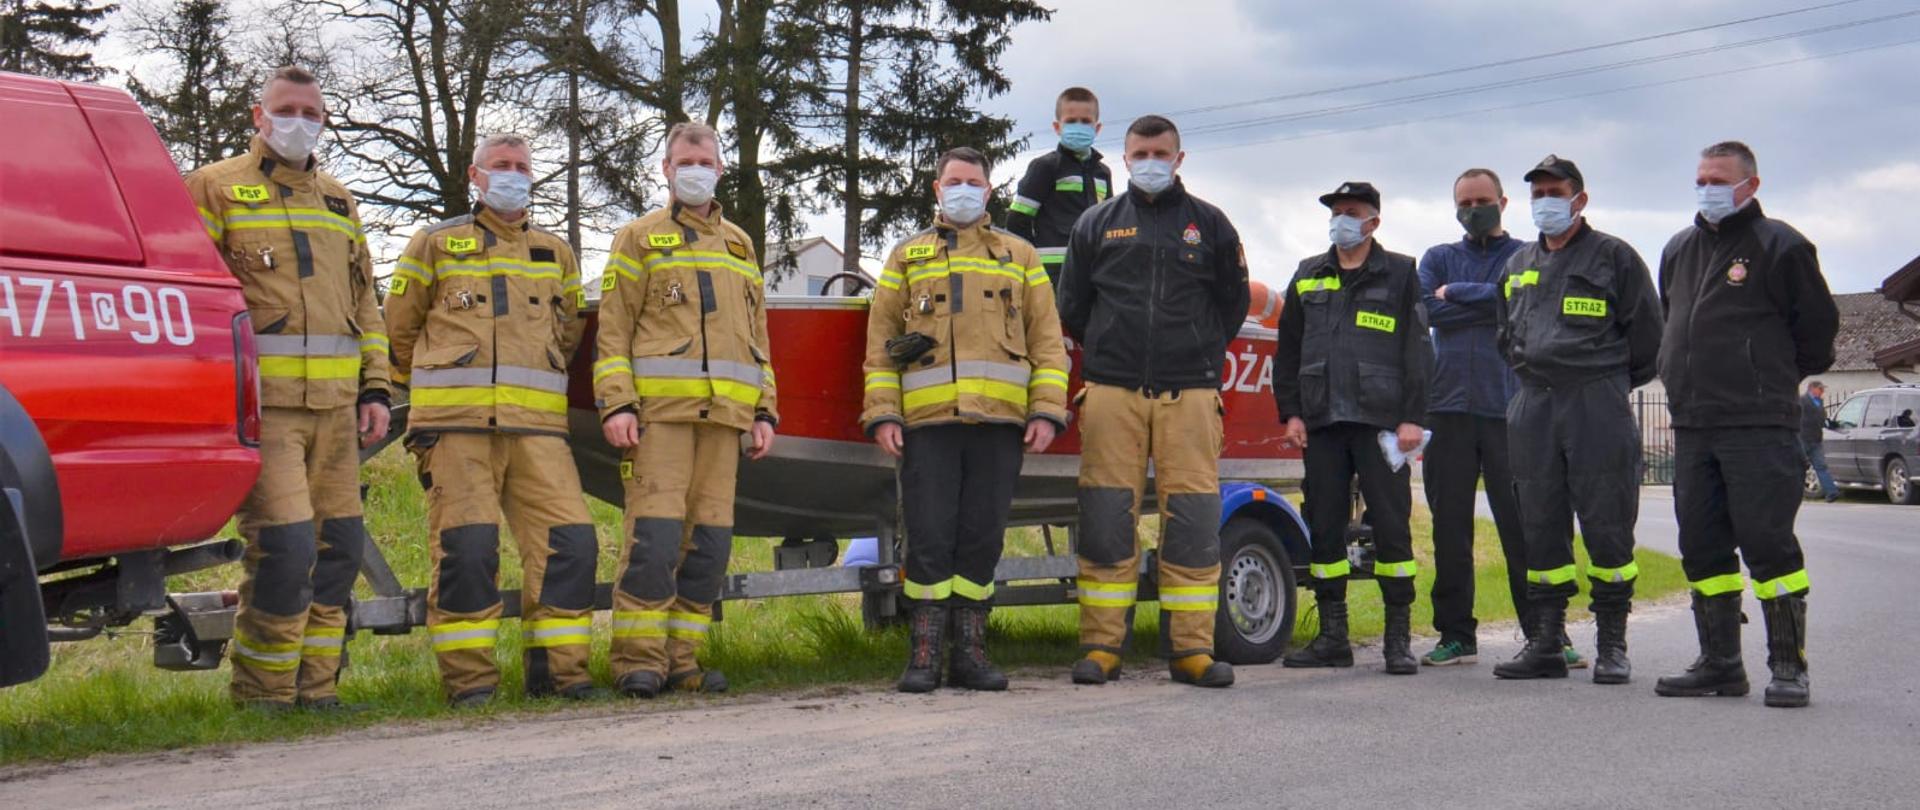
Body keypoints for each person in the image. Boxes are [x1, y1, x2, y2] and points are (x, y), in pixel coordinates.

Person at [185, 66, 390, 711]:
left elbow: (365, 303)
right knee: (285, 548)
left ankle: (318, 691)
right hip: (264, 412)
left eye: (311, 111)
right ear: (259, 115)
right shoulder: (214, 188)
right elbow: (196, 298)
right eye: (287, 109)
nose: (299, 121)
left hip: (337, 414)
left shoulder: (339, 201)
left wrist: (376, 390)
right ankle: (263, 694)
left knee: (339, 551)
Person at [386, 133, 600, 707]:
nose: (513, 174)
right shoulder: (435, 243)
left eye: (522, 166)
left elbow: (570, 333)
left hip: (538, 430)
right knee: (469, 550)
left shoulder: (556, 252)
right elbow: (399, 329)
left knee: (571, 543)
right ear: (475, 177)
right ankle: (471, 684)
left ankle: (559, 676)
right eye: (500, 165)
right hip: (456, 428)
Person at [860, 146, 1072, 693]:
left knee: (982, 538)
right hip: (927, 425)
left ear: (989, 190)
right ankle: (924, 654)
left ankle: (971, 655)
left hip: (1000, 425)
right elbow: (880, 347)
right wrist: (883, 414)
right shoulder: (906, 257)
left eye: (973, 182)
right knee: (929, 537)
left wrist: (1047, 411)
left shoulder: (1020, 256)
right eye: (953, 181)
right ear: (937, 189)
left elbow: (1049, 344)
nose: (963, 191)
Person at [1056, 114, 1248, 689]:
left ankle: (1191, 650)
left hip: (1190, 393)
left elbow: (1232, 305)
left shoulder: (1211, 225)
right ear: (1124, 158)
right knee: (1105, 516)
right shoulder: (1095, 223)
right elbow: (1072, 305)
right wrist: (1111, 349)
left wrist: (1194, 351)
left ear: (1179, 158)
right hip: (1111, 391)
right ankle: (1101, 647)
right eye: (1140, 154)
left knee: (1192, 522)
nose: (1150, 163)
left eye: (1160, 154)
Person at [595, 122, 778, 699]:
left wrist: (765, 411)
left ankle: (682, 660)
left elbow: (758, 338)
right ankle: (637, 662)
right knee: (653, 542)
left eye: (705, 161)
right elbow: (613, 331)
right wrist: (617, 403)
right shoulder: (637, 239)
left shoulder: (740, 244)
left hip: (725, 421)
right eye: (684, 161)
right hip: (660, 419)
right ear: (667, 169)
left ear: (720, 168)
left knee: (709, 547)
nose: (695, 170)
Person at [1653, 141, 1838, 708]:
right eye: (1701, 179)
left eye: (1719, 180)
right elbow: (1670, 319)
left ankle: (1788, 666)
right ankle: (1721, 664)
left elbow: (1817, 335)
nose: (1707, 189)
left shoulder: (1780, 245)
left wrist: (1764, 375)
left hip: (1758, 423)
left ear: (1750, 186)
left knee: (1767, 543)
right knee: (1702, 546)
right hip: (1693, 423)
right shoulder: (1678, 249)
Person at [1492, 155, 1662, 685]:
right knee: (1539, 522)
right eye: (1538, 194)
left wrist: (1602, 381)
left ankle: (1612, 644)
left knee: (1607, 522)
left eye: (1555, 192)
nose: (1545, 202)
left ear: (1579, 199)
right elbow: (1505, 334)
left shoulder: (1614, 256)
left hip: (1596, 402)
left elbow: (1649, 339)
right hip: (1534, 404)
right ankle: (1547, 642)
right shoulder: (1517, 263)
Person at [1416, 168, 1579, 668]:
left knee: (1524, 527)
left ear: (1503, 203)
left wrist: (1456, 294)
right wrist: (1494, 301)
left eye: (1482, 200)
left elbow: (1530, 304)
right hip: (1447, 409)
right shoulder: (1437, 257)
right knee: (1450, 530)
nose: (1473, 210)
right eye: (1464, 203)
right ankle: (1456, 634)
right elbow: (1425, 312)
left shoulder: (1526, 256)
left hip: (1511, 409)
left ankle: (1544, 632)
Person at [1272, 181, 1433, 675]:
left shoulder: (1400, 272)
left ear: (1373, 222)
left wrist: (1413, 417)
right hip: (1322, 421)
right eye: (1335, 211)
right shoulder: (1308, 274)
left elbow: (1417, 349)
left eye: (1351, 211)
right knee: (1324, 527)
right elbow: (1288, 350)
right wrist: (1291, 412)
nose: (1340, 219)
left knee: (1391, 527)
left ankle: (1397, 640)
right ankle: (1332, 637)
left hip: (1381, 423)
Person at [1006, 87, 1114, 282]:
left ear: (1097, 128)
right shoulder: (1045, 167)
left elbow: (1108, 221)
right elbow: (1016, 221)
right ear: (1057, 127)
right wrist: (1032, 263)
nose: (1078, 126)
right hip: (1052, 275)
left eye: (1086, 121)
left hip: (1094, 270)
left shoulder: (1102, 173)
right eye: (1071, 121)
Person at [1801, 381, 1841, 502]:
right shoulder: (1802, 401)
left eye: (1823, 389)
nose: (1822, 391)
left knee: (1821, 466)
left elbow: (1821, 419)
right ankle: (1792, 492)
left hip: (1816, 440)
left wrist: (1829, 423)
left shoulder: (1820, 402)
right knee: (1798, 466)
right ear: (1812, 389)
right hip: (1803, 439)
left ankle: (1832, 492)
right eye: (1820, 389)